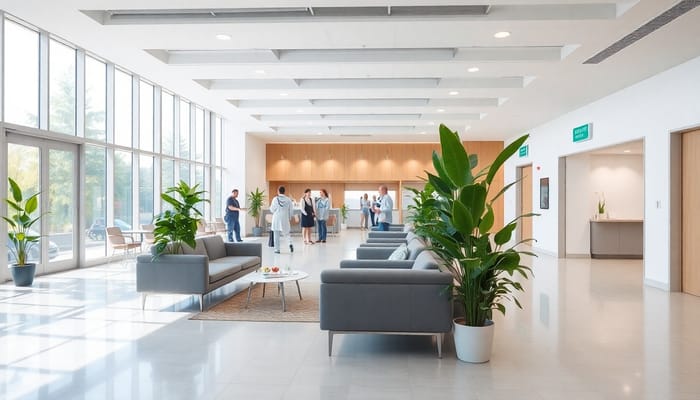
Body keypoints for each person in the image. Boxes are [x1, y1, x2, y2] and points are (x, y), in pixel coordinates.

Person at [270, 185, 294, 254]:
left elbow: (272, 209)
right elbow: (291, 211)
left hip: (277, 218)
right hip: (285, 218)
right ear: (284, 191)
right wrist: (289, 218)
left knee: (276, 234)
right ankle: (290, 243)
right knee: (286, 233)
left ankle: (277, 250)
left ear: (278, 191)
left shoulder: (275, 199)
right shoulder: (288, 199)